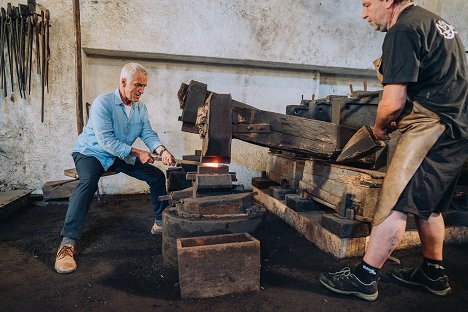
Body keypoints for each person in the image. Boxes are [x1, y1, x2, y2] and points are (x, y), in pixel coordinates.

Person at [319, 0, 467, 301]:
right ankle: (432, 272)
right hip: (457, 129)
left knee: (393, 202)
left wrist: (379, 128)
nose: (364, 14)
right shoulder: (439, 25)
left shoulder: (403, 30)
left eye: (367, 4)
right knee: (430, 206)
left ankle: (365, 277)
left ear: (388, 0)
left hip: (429, 129)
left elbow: (393, 102)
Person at [54, 62, 176, 274]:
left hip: (120, 153)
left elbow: (147, 133)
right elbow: (106, 142)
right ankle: (67, 244)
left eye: (144, 86)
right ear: (123, 82)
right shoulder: (104, 103)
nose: (141, 90)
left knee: (156, 176)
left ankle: (160, 222)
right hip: (91, 152)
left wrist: (162, 150)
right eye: (138, 85)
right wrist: (138, 153)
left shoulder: (140, 108)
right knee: (88, 183)